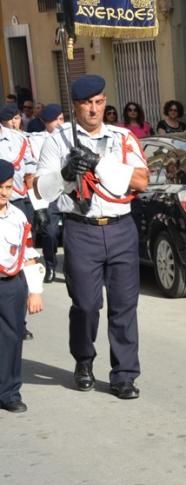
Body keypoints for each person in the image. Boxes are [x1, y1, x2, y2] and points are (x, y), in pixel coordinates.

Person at [34, 74, 149, 399]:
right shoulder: (58, 141)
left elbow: (141, 182)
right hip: (81, 228)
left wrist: (99, 163)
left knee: (125, 306)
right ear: (76, 106)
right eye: (87, 104)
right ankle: (83, 360)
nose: (95, 110)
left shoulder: (122, 137)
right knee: (85, 305)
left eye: (99, 102)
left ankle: (124, 375)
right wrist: (64, 174)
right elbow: (39, 189)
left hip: (120, 228)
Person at [0, 159, 45, 413]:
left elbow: (28, 252)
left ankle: (9, 393)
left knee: (12, 339)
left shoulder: (17, 216)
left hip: (11, 285)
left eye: (7, 187)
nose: (4, 193)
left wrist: (35, 290)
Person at [26, 103, 63, 284]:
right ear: (45, 123)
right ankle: (50, 265)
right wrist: (38, 205)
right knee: (50, 232)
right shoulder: (36, 140)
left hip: (69, 190)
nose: (58, 124)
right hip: (49, 193)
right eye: (53, 121)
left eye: (61, 119)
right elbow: (33, 175)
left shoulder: (70, 137)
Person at [0, 103, 37, 222]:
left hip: (21, 196)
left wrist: (36, 203)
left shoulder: (19, 138)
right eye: (11, 119)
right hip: (4, 198)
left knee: (28, 233)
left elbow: (30, 170)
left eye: (16, 118)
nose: (14, 122)